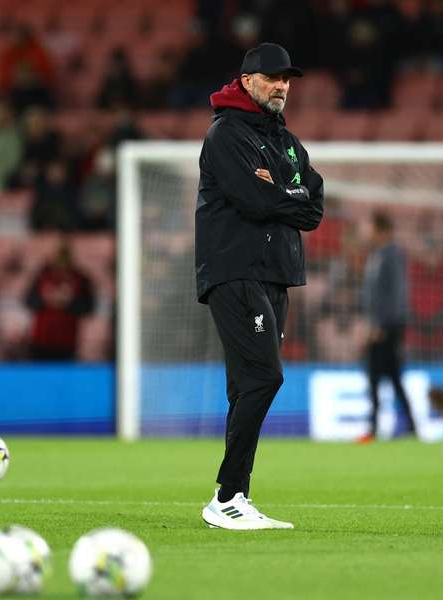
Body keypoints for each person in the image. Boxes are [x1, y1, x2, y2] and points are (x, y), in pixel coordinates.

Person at [196, 43, 323, 530]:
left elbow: (313, 205)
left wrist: (281, 191)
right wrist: (283, 193)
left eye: (287, 79)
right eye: (272, 78)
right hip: (235, 269)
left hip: (275, 273)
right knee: (264, 377)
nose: (282, 86)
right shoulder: (226, 134)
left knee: (247, 384)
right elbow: (253, 198)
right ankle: (227, 496)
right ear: (247, 81)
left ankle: (233, 497)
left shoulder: (286, 141)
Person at [358, 212, 417, 443]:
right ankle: (408, 426)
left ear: (381, 230)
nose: (368, 233)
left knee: (379, 375)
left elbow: (396, 293)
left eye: (371, 228)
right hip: (380, 325)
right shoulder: (377, 255)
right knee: (389, 377)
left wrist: (381, 324)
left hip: (388, 327)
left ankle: (376, 427)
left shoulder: (392, 255)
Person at [24, 241, 95, 361]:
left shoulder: (80, 279)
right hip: (41, 340)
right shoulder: (42, 276)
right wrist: (47, 300)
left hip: (67, 340)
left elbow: (88, 307)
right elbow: (29, 301)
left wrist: (67, 303)